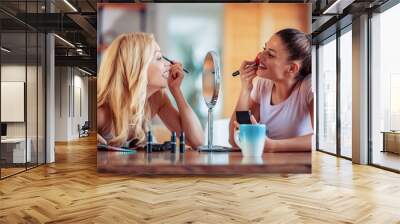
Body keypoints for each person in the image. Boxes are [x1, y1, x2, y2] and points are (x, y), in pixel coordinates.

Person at [97, 32, 204, 148]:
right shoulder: (102, 113)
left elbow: (197, 141)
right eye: (159, 58)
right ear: (138, 67)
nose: (168, 64)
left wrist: (176, 91)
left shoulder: (157, 99)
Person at [229, 28, 313, 152]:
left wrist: (271, 145)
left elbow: (320, 140)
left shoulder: (308, 86)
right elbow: (235, 140)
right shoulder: (263, 84)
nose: (259, 56)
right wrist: (246, 89)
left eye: (270, 54)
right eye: (264, 49)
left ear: (292, 68)